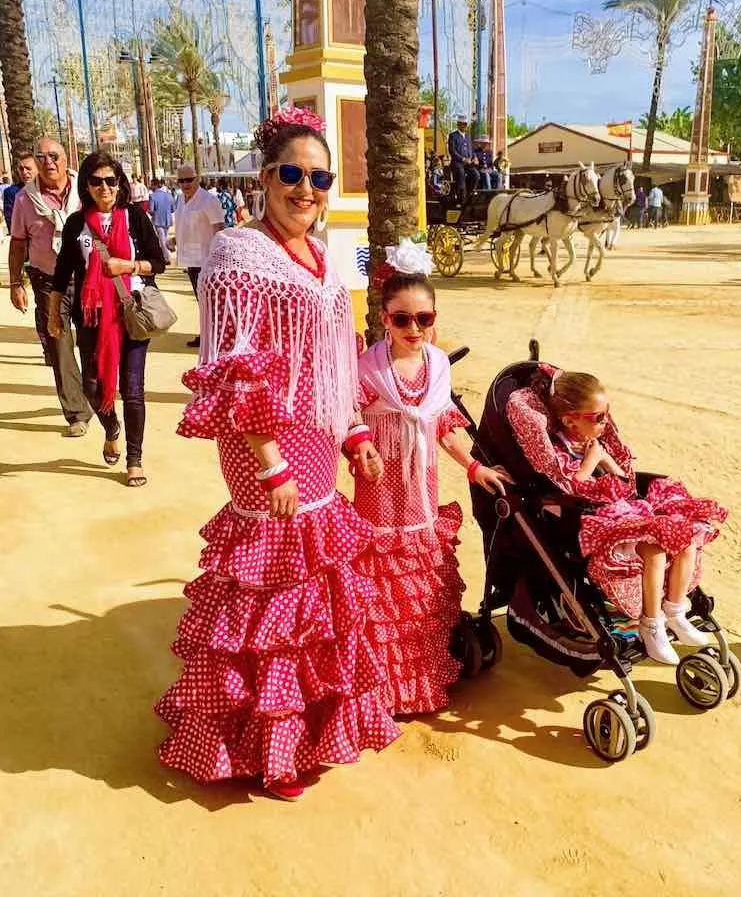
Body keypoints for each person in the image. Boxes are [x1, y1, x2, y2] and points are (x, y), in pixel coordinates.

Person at [155, 105, 400, 802]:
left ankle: (307, 725)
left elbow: (338, 358)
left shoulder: (326, 256)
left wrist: (353, 435)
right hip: (263, 438)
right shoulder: (239, 253)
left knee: (312, 584)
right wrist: (270, 461)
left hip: (319, 434)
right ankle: (264, 741)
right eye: (292, 174)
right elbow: (237, 369)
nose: (306, 190)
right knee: (272, 589)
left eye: (319, 178)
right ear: (264, 177)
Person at [352, 243, 510, 715]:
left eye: (424, 318)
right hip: (379, 493)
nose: (414, 329)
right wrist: (360, 444)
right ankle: (380, 686)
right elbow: (346, 415)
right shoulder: (367, 368)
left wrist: (474, 465)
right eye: (403, 319)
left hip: (421, 491)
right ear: (385, 318)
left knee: (420, 582)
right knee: (381, 583)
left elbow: (442, 423)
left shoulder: (437, 365)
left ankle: (420, 678)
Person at [506, 367, 727, 665]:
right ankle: (652, 624)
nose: (604, 423)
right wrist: (592, 459)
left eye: (606, 414)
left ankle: (675, 611)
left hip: (625, 510)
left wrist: (606, 458)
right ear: (571, 420)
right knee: (656, 553)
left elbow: (624, 480)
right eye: (598, 418)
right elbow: (572, 487)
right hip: (595, 520)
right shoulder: (559, 448)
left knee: (685, 539)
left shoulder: (594, 443)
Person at [48, 152, 165, 486]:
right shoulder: (76, 223)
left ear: (120, 184)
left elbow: (158, 261)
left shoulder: (134, 217)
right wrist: (54, 313)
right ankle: (111, 427)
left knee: (133, 390)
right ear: (86, 185)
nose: (104, 187)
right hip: (92, 317)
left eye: (111, 181)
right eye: (96, 181)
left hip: (131, 312)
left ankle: (134, 459)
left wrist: (128, 266)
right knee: (91, 387)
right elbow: (61, 274)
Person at [8, 138, 92, 434]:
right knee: (59, 345)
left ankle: (92, 395)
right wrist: (15, 282)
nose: (48, 162)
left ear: (66, 158)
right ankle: (76, 413)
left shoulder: (86, 190)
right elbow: (18, 243)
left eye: (53, 156)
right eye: (40, 157)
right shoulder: (24, 200)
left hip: (88, 279)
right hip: (47, 281)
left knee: (91, 342)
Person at [173, 163, 225, 348]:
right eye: (181, 180)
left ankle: (213, 337)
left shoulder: (208, 200)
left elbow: (219, 228)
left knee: (209, 301)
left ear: (197, 179)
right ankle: (207, 334)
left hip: (206, 259)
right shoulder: (180, 199)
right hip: (190, 259)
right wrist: (174, 241)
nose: (185, 184)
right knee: (202, 301)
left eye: (189, 180)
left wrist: (219, 257)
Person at [447, 116, 478, 205]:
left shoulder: (468, 137)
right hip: (457, 163)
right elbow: (452, 151)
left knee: (476, 174)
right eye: (462, 124)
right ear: (458, 125)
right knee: (460, 173)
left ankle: (471, 194)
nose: (464, 126)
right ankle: (462, 196)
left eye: (465, 124)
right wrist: (463, 159)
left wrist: (474, 158)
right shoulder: (453, 136)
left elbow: (472, 150)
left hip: (468, 164)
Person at [3, 154, 38, 233]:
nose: (24, 172)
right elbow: (11, 221)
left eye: (28, 168)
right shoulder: (11, 192)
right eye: (21, 169)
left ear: (38, 169)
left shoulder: (48, 189)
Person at [148, 178, 175, 263]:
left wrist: (149, 212)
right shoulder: (168, 195)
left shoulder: (152, 196)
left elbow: (151, 210)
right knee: (164, 238)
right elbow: (173, 209)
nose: (150, 186)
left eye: (151, 184)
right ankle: (168, 248)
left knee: (162, 239)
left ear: (155, 185)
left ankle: (166, 257)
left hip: (158, 220)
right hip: (167, 219)